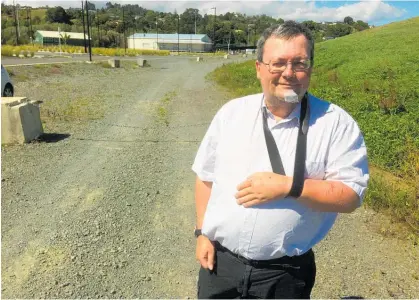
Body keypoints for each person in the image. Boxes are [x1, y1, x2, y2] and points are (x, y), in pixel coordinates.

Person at [192, 20, 369, 299]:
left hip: (286, 273)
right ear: (259, 68)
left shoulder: (336, 124)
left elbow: (350, 197)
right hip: (220, 265)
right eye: (278, 63)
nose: (289, 73)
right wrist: (202, 232)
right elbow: (205, 176)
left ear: (310, 68)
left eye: (299, 63)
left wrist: (289, 186)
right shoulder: (231, 114)